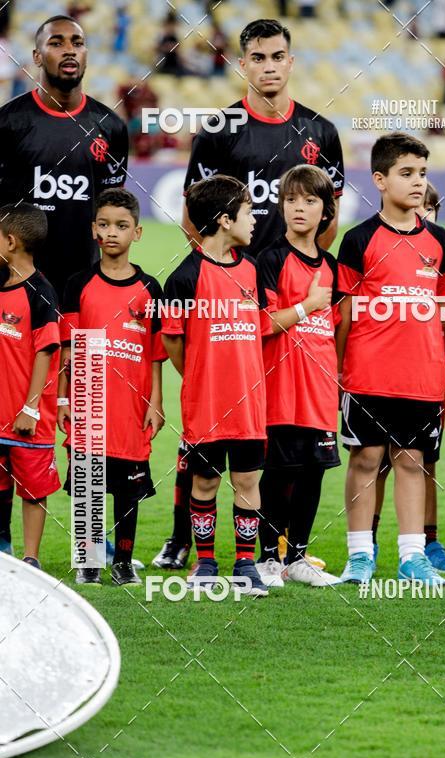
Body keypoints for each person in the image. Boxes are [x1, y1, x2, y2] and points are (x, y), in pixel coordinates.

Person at [154, 17, 345, 571]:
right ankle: (183, 539)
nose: (268, 66)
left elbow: (328, 219)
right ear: (243, 63)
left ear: (291, 61)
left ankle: (274, 551)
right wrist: (223, 268)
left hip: (287, 296)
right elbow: (195, 214)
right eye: (257, 57)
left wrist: (297, 274)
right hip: (229, 295)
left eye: (277, 56)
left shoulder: (320, 132)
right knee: (209, 427)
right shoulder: (218, 130)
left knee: (275, 431)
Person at [336, 133, 445, 586]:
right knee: (366, 460)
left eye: (422, 173)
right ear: (380, 180)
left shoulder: (441, 243)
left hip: (421, 378)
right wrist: (339, 371)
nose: (417, 182)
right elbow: (344, 313)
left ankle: (413, 557)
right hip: (367, 376)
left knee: (411, 461)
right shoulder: (358, 240)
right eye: (406, 173)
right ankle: (359, 556)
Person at [161, 176, 268, 596]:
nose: (255, 219)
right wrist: (203, 376)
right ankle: (205, 562)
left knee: (247, 482)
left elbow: (257, 329)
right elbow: (173, 340)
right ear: (225, 220)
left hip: (249, 404)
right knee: (203, 483)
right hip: (205, 404)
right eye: (248, 211)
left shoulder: (251, 268)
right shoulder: (185, 277)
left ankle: (245, 563)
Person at [57, 189, 165, 585]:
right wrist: (65, 398)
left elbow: (154, 353)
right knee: (89, 483)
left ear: (137, 232)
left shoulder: (151, 288)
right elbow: (68, 348)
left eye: (121, 226)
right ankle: (88, 561)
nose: (112, 232)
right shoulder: (78, 284)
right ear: (93, 230)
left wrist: (156, 401)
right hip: (89, 399)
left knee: (127, 489)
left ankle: (122, 562)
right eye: (104, 224)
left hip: (132, 404)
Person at [0, 15, 129, 300]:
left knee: (80, 347)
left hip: (85, 287)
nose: (69, 49)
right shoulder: (8, 123)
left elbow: (113, 208)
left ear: (86, 55)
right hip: (15, 286)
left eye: (78, 43)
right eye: (56, 43)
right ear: (37, 56)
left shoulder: (112, 127)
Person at [371, 181, 445, 575]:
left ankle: (429, 542)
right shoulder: (376, 241)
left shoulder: (439, 248)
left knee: (426, 459)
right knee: (374, 459)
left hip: (426, 371)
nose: (422, 212)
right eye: (417, 204)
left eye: (430, 206)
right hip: (378, 371)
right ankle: (367, 542)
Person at [256, 164, 341, 588]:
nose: (298, 208)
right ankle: (270, 558)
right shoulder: (270, 259)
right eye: (291, 200)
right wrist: (307, 305)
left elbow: (337, 330)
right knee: (280, 474)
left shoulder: (333, 267)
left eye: (309, 201)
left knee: (314, 473)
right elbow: (265, 324)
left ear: (326, 210)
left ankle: (299, 558)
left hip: (321, 388)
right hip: (283, 387)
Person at [0, 204, 61, 569]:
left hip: (27, 416)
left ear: (10, 242)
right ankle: (3, 550)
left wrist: (31, 407)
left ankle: (31, 558)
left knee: (33, 490)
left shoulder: (40, 292)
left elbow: (45, 351)